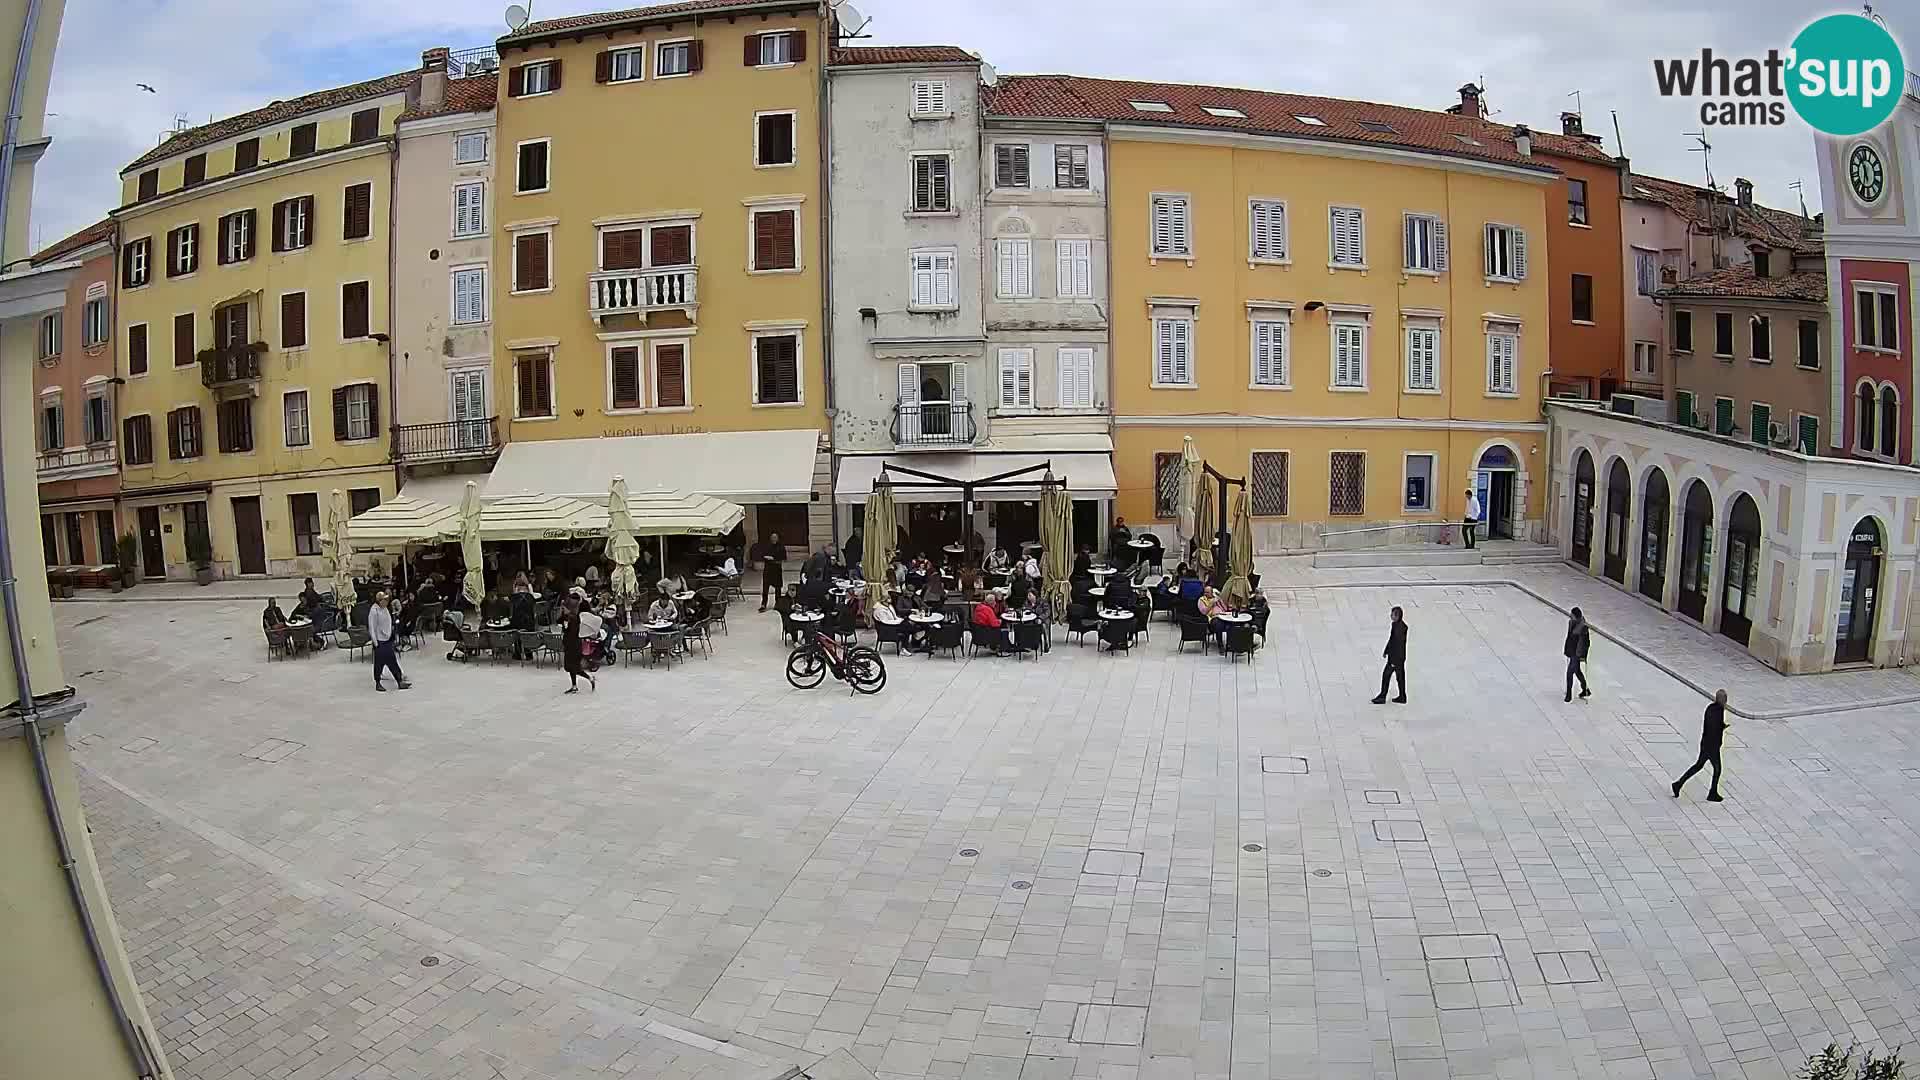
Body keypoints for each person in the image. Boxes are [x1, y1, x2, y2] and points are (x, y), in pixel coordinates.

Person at [1673, 690, 1729, 801]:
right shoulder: (1719, 710)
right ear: (1721, 700)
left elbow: (1712, 724)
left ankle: (1678, 784)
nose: (1726, 702)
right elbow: (1714, 728)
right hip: (1712, 746)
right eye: (1725, 699)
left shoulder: (1710, 708)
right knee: (1717, 769)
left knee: (1698, 766)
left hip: (1705, 744)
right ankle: (1712, 793)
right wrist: (1721, 729)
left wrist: (1721, 726)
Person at [369, 591, 411, 692]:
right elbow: (372, 628)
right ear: (379, 601)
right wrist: (375, 643)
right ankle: (378, 683)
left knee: (392, 661)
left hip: (387, 639)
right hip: (380, 641)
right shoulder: (374, 611)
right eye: (385, 600)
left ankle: (399, 681)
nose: (387, 601)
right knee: (379, 663)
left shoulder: (385, 609)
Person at [1371, 606, 1407, 705]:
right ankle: (1402, 696)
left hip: (1395, 658)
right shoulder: (1398, 625)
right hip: (1399, 658)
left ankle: (1382, 696)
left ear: (1397, 616)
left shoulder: (1399, 629)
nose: (1390, 616)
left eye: (1392, 614)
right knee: (1400, 677)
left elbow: (1397, 645)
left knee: (1386, 675)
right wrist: (1386, 650)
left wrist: (1393, 662)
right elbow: (1391, 641)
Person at [561, 596, 595, 693]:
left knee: (574, 667)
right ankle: (574, 685)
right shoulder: (567, 617)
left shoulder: (574, 619)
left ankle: (589, 678)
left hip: (574, 646)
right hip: (569, 645)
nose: (563, 609)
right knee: (569, 667)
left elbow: (572, 633)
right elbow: (558, 621)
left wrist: (566, 627)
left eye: (564, 608)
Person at [1563, 607, 1592, 702]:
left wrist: (1582, 655)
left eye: (1572, 615)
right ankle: (1585, 689)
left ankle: (1569, 694)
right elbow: (1569, 637)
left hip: (1577, 653)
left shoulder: (1583, 628)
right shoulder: (1571, 623)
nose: (1570, 616)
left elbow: (1586, 643)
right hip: (1571, 651)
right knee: (1577, 671)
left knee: (1569, 673)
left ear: (1576, 616)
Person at [758, 532, 786, 612]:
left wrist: (773, 558)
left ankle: (778, 604)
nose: (773, 539)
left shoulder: (781, 547)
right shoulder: (767, 546)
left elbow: (783, 558)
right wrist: (766, 557)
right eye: (772, 537)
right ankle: (763, 604)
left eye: (775, 537)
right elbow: (762, 555)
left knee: (778, 588)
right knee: (765, 588)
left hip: (776, 570)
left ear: (778, 538)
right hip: (768, 570)